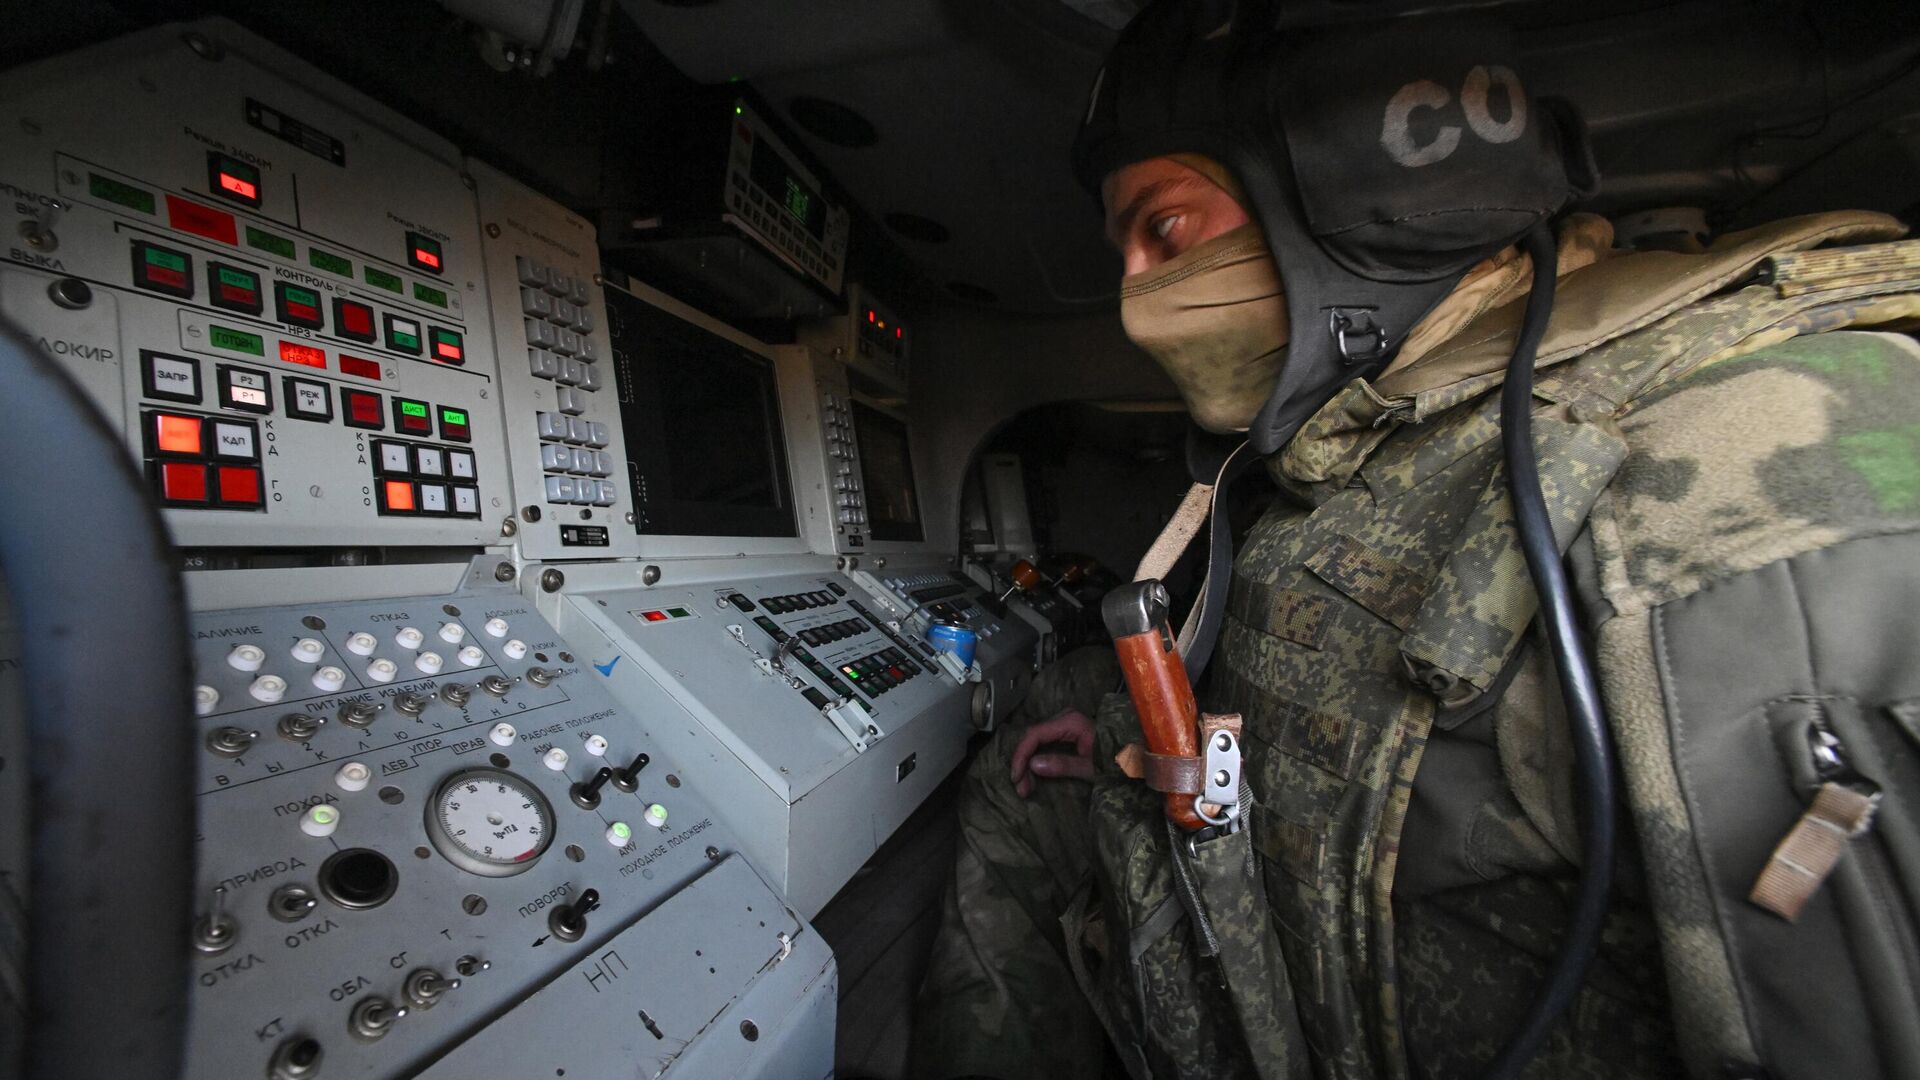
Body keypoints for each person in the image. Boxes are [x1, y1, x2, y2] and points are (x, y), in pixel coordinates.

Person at [913, 4, 1920, 1080]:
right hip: (1248, 947)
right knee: (1024, 767)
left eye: (1164, 228)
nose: (1133, 296)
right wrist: (1130, 735)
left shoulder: (1752, 450)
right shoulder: (1378, 431)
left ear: (1345, 196)